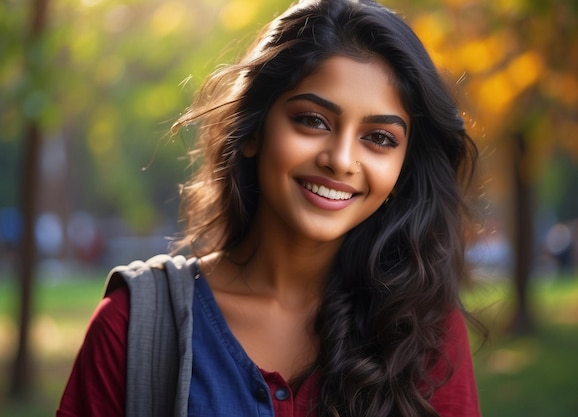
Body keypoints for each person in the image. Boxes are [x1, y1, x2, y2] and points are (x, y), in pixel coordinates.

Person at [57, 0, 484, 416]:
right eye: (313, 120)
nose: (340, 159)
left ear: (402, 170)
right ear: (253, 131)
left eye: (379, 138)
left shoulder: (425, 333)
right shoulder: (133, 326)